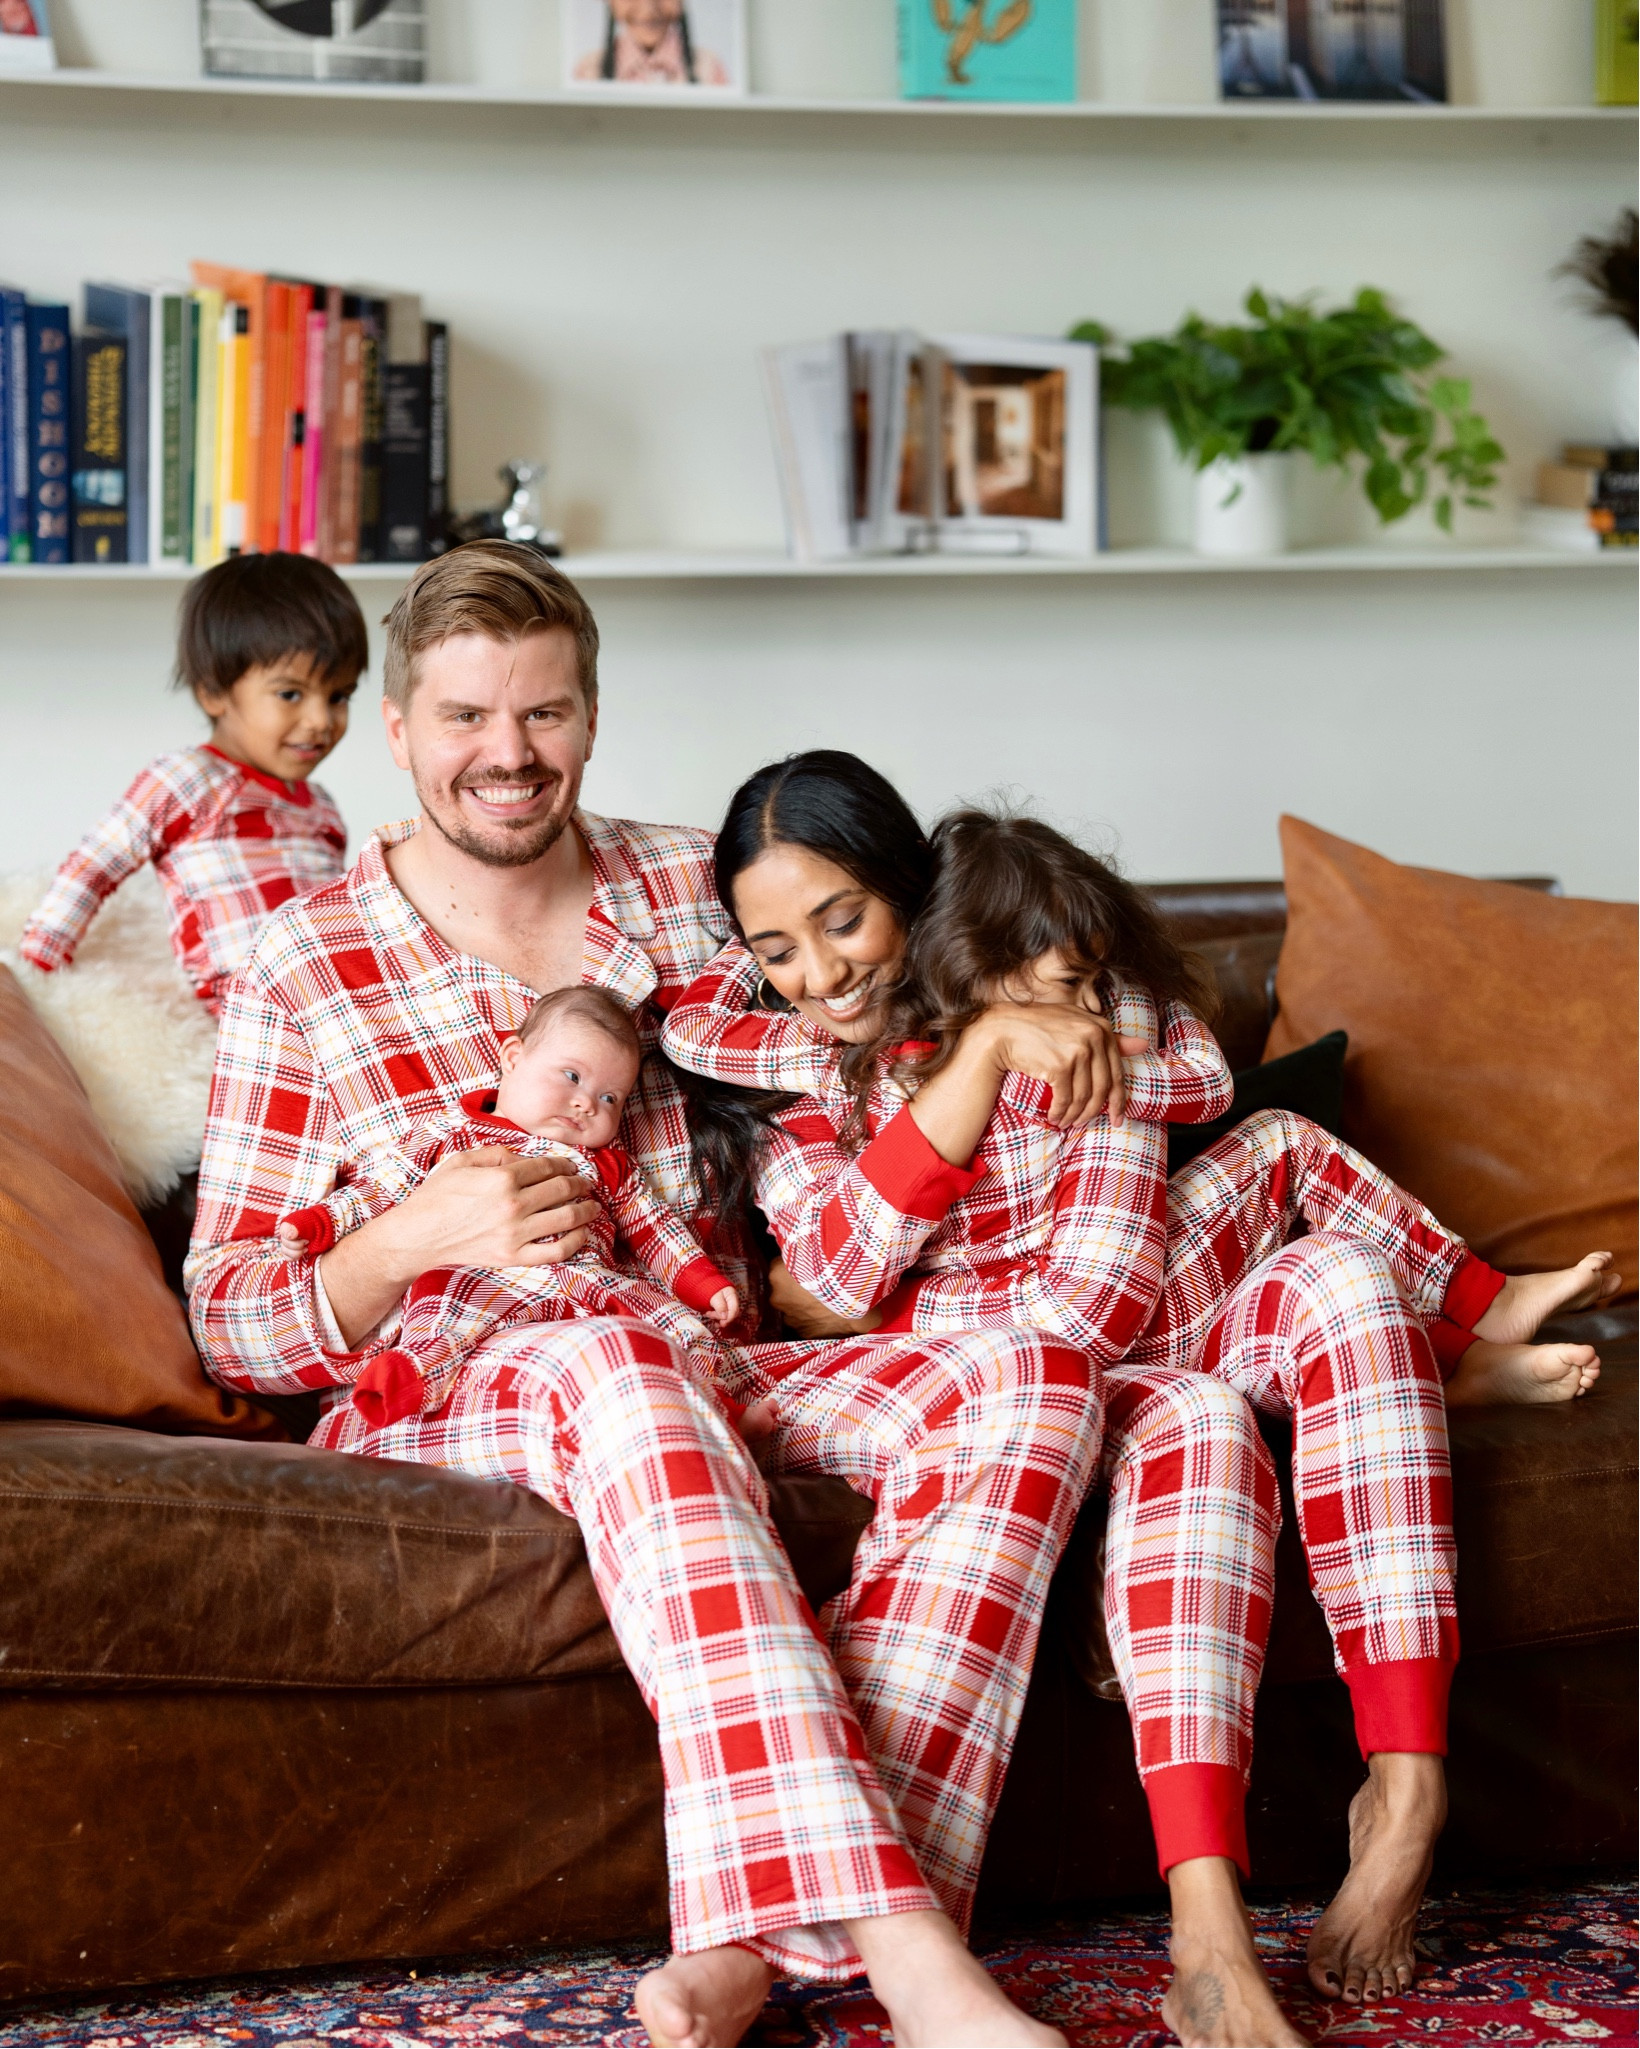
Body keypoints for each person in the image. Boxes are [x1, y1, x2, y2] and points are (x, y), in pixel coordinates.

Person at [185, 541, 1125, 2049]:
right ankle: (914, 1957)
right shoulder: (298, 964)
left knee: (1037, 1378)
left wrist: (1014, 1018)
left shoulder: (698, 891)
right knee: (613, 1357)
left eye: (543, 713)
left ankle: (751, 1939)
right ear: (399, 729)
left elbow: (881, 1035)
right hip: (469, 1386)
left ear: (592, 714)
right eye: (466, 717)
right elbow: (230, 1317)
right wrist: (406, 1239)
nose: (507, 753)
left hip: (714, 1351)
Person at [660, 760, 1619, 2045]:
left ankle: (1405, 1793)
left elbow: (1107, 1277)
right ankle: (1206, 1933)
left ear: (912, 892)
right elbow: (840, 1280)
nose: (820, 973)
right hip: (1019, 1382)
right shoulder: (792, 1072)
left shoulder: (1066, 993)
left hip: (1130, 1333)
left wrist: (1018, 1045)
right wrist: (984, 1060)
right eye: (777, 948)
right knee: (1200, 1414)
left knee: (1340, 1277)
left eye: (844, 920)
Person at [275, 983, 743, 1434]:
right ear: (514, 1058)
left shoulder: (605, 1163)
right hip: (483, 1277)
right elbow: (383, 1187)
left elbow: (653, 1225)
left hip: (584, 1282)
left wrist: (701, 1281)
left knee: (676, 1326)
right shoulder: (452, 1135)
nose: (586, 1104)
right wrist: (321, 1222)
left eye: (610, 1098)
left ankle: (719, 1406)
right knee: (444, 1312)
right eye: (572, 1076)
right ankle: (406, 1379)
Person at [20, 552, 363, 1013]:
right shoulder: (187, 779)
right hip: (253, 1001)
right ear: (214, 692)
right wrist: (35, 968)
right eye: (290, 694)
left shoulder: (321, 806)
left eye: (339, 696)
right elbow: (93, 866)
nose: (321, 720)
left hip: (341, 993)